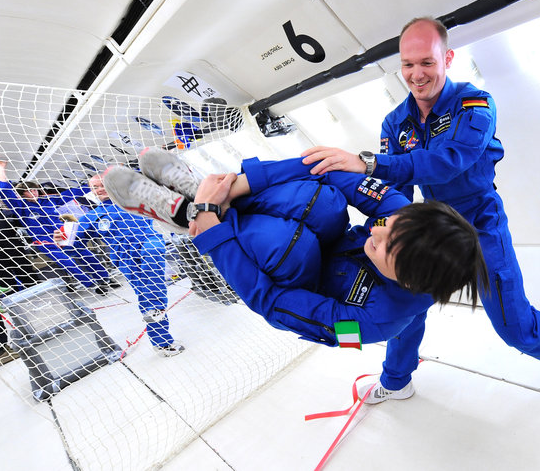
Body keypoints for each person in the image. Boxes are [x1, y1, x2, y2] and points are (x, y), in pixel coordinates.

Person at [301, 17, 540, 404]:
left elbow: (448, 161)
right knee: (404, 301)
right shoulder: (394, 122)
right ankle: (396, 381)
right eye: (408, 64)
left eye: (427, 62)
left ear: (448, 58)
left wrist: (368, 163)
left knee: (515, 328)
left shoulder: (475, 104)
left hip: (480, 224)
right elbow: (397, 190)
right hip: (430, 225)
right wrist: (378, 234)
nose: (416, 74)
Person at [100, 148, 488, 363]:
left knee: (287, 246)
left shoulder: (375, 325)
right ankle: (205, 192)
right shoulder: (402, 220)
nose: (377, 229)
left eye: (386, 246)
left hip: (274, 272)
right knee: (320, 199)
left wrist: (212, 231)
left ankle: (187, 215)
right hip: (308, 230)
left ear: (407, 279)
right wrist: (239, 185)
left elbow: (273, 304)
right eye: (390, 225)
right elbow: (325, 171)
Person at [52, 175, 184, 357]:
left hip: (148, 241)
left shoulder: (133, 201)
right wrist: (63, 242)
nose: (99, 189)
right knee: (144, 296)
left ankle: (156, 308)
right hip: (125, 258)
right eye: (94, 187)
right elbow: (75, 244)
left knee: (153, 252)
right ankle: (162, 343)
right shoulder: (90, 217)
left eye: (102, 184)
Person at [0, 159, 111, 293]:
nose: (34, 193)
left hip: (63, 234)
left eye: (35, 189)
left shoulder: (48, 200)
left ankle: (104, 279)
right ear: (23, 194)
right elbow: (5, 191)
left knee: (87, 255)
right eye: (29, 191)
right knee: (69, 263)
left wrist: (99, 185)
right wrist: (2, 168)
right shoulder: (20, 207)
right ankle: (91, 285)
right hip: (45, 240)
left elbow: (73, 193)